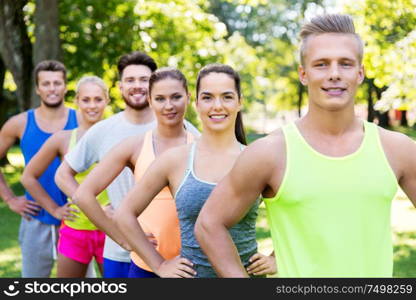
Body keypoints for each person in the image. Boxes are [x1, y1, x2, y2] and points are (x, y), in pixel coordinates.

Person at [194, 14, 416, 278]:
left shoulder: (397, 149)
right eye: (321, 64)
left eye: (345, 64)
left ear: (360, 73)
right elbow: (209, 224)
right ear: (303, 73)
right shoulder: (270, 153)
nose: (334, 74)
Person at [115, 63, 276, 278]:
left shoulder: (257, 158)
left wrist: (276, 257)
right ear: (197, 103)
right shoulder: (176, 159)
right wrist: (159, 265)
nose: (217, 106)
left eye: (227, 97)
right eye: (208, 97)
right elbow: (125, 213)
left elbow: (300, 212)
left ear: (239, 102)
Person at [55, 51, 199, 278]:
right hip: (120, 252)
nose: (137, 85)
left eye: (144, 79)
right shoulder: (103, 130)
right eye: (130, 80)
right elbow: (64, 176)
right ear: (120, 87)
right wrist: (119, 233)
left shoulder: (188, 131)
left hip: (178, 252)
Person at [21, 76, 110, 277]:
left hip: (112, 230)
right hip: (76, 229)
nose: (92, 106)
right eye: (86, 100)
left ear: (107, 101)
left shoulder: (119, 136)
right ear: (77, 101)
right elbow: (28, 177)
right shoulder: (63, 139)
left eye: (98, 99)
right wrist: (54, 209)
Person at [0, 60, 78, 277]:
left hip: (77, 219)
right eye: (46, 84)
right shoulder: (19, 123)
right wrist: (10, 199)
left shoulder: (81, 121)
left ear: (65, 86)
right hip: (36, 218)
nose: (52, 88)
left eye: (57, 83)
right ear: (37, 88)